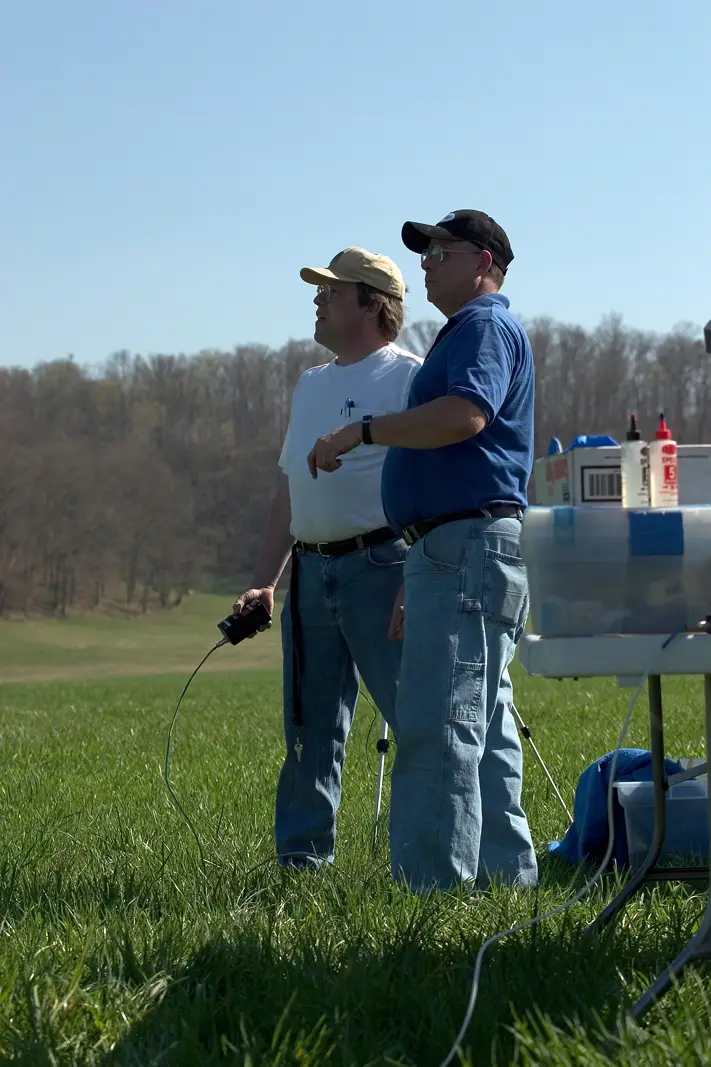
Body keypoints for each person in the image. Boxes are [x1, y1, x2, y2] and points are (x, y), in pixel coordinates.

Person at [307, 210, 538, 892]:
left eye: (442, 249)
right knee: (485, 724)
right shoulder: (464, 332)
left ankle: (432, 896)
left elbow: (465, 414)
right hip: (459, 547)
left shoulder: (483, 327)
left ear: (484, 261)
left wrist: (363, 431)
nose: (428, 261)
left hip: (464, 547)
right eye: (426, 251)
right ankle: (504, 885)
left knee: (439, 725)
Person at [233, 246, 422, 868]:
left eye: (331, 292)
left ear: (372, 304)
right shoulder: (310, 385)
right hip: (309, 578)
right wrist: (265, 584)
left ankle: (425, 867)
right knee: (309, 730)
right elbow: (288, 489)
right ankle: (301, 866)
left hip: (383, 568)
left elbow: (431, 481)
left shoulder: (409, 378)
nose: (317, 301)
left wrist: (413, 577)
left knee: (415, 724)